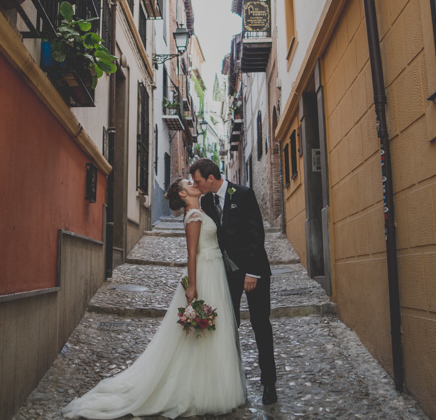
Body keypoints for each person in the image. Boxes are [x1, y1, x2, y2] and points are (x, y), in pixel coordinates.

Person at [62, 178, 246, 419]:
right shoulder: (192, 215)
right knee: (202, 332)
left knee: (212, 331)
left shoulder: (201, 210)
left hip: (214, 271)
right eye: (189, 182)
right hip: (203, 273)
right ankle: (198, 388)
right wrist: (192, 286)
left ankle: (210, 382)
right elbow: (191, 253)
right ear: (182, 193)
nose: (194, 183)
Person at [189, 158, 277, 405]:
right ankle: (230, 384)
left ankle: (269, 384)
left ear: (211, 178)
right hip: (226, 275)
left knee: (261, 325)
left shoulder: (243, 194)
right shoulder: (205, 201)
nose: (196, 185)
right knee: (228, 327)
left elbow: (256, 234)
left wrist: (252, 271)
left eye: (198, 181)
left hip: (253, 272)